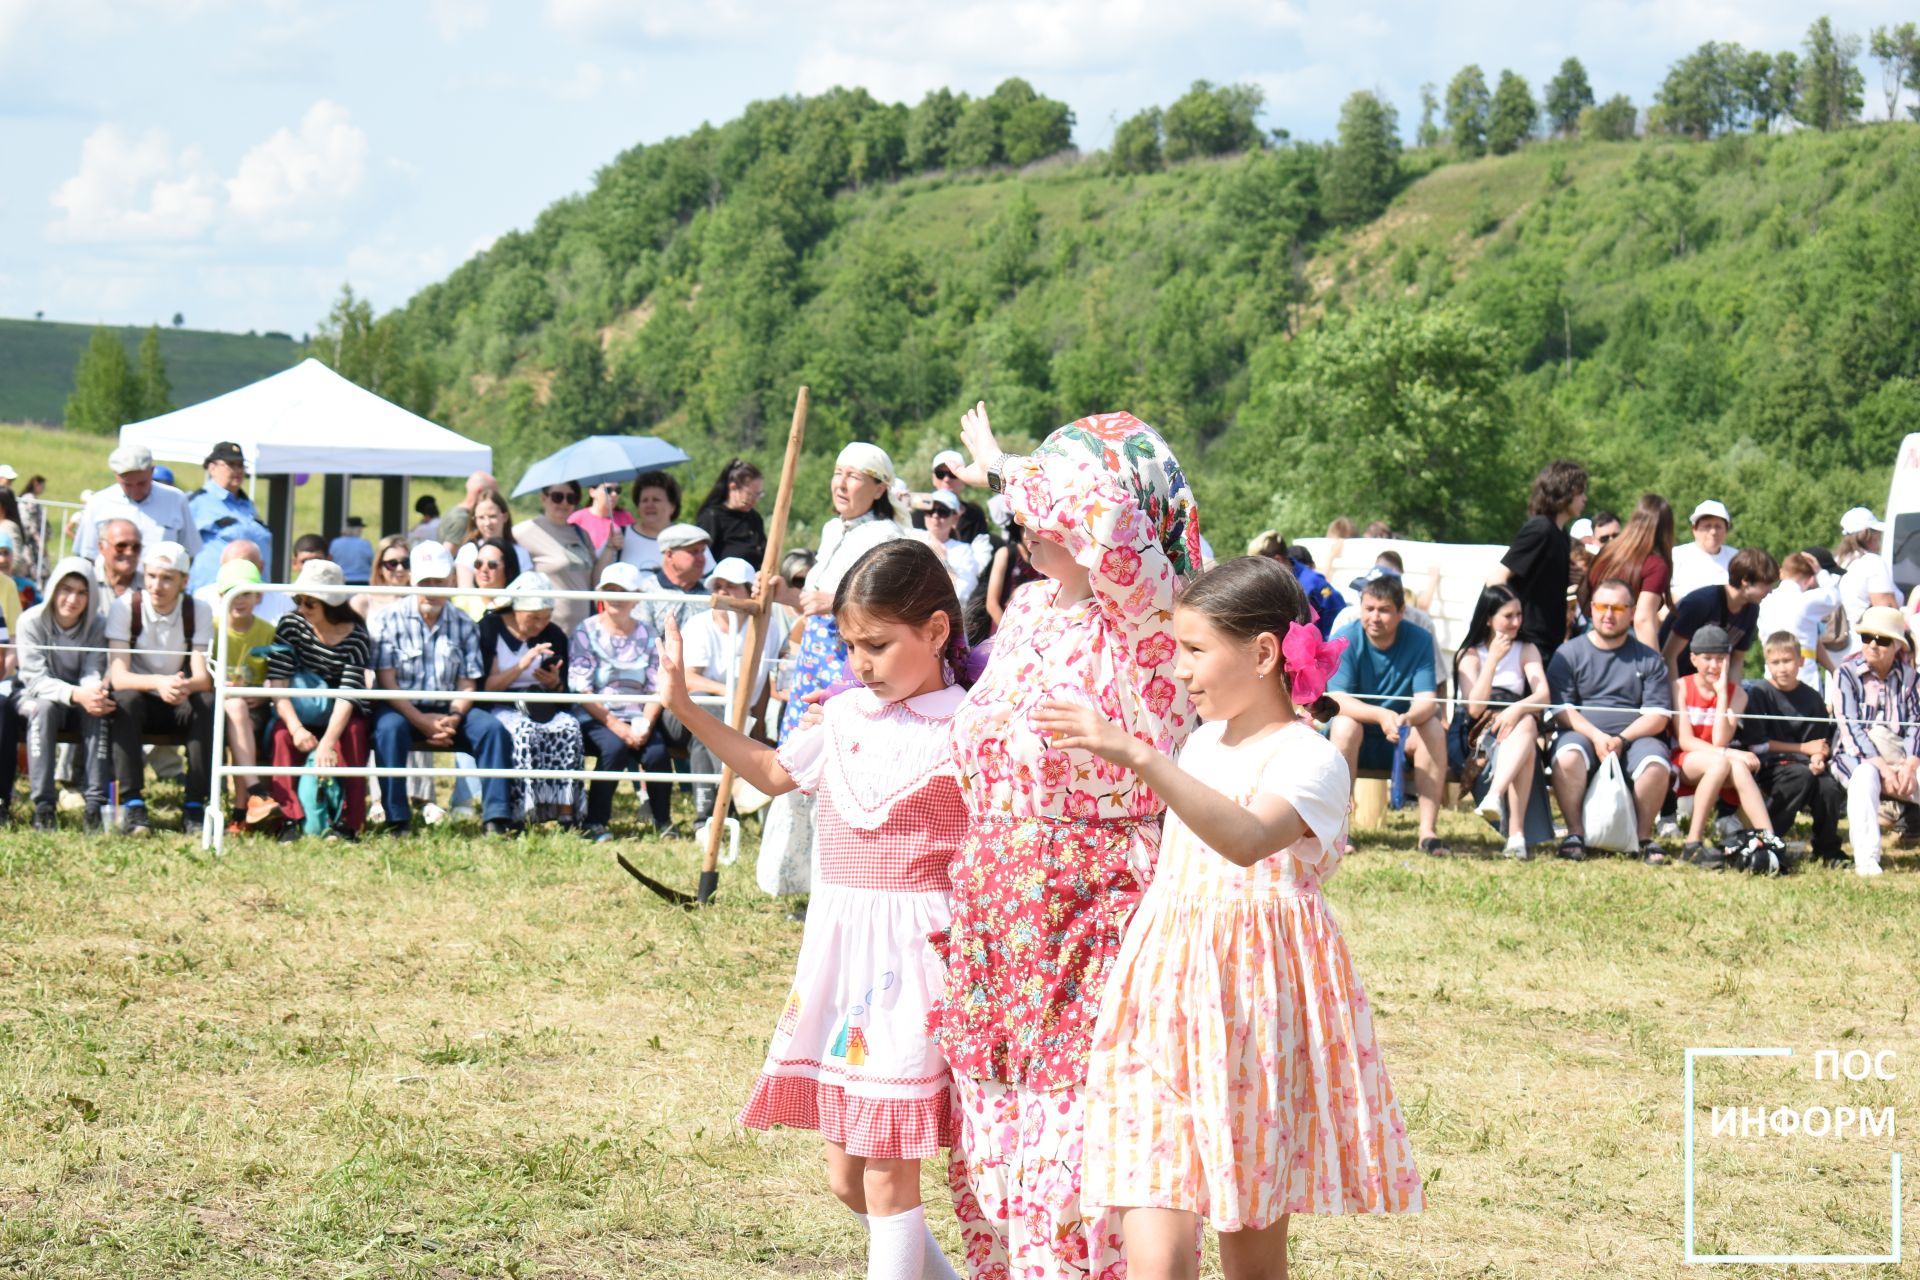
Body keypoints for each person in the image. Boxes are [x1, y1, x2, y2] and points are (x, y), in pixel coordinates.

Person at [1036, 556, 1423, 1277]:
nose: (1181, 670)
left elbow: (1246, 840)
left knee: (1250, 1250)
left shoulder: (1309, 758)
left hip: (1251, 1010)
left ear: (1264, 653)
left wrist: (1138, 755)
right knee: (1153, 1246)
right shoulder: (1199, 743)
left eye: (1195, 649)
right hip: (1163, 997)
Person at [657, 539, 970, 1280]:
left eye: (878, 645)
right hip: (843, 961)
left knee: (888, 1178)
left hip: (918, 961)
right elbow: (771, 772)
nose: (861, 663)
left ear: (935, 631)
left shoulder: (972, 726)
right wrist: (683, 707)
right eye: (851, 645)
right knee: (846, 1179)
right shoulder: (845, 716)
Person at [939, 403, 1203, 1280]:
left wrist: (1000, 465)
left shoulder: (1153, 615)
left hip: (1093, 903)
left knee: (1074, 1132)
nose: (1026, 517)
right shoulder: (1026, 606)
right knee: (996, 1131)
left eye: (1047, 497)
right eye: (1023, 505)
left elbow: (1112, 520)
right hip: (998, 907)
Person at [369, 541, 515, 836]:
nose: (433, 589)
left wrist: (455, 717)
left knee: (492, 730)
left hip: (451, 709)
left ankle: (497, 818)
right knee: (388, 729)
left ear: (451, 580)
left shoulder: (465, 623)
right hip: (401, 707)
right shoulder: (387, 619)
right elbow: (386, 682)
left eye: (439, 580)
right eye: (426, 581)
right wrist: (420, 719)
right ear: (413, 579)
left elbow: (467, 682)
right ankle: (397, 819)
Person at [770, 445, 906, 744]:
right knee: (800, 740)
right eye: (837, 473)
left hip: (849, 656)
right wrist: (785, 594)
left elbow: (887, 606)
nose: (841, 484)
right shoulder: (832, 529)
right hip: (812, 654)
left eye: (853, 476)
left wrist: (834, 602)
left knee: (836, 738)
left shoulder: (886, 535)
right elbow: (814, 601)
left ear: (879, 489)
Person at [1546, 578, 1674, 864]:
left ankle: (1642, 838)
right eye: (1602, 606)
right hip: (1581, 734)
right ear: (1591, 608)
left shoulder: (1649, 658)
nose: (1608, 614)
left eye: (1617, 608)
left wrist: (1622, 740)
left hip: (1635, 738)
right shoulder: (1568, 654)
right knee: (1567, 756)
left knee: (1655, 765)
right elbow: (1561, 709)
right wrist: (1596, 736)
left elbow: (1658, 715)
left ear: (1632, 612)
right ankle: (1575, 834)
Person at [1326, 573, 1448, 856]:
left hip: (1400, 735)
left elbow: (1427, 700)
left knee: (1431, 727)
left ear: (1401, 612)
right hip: (1355, 736)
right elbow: (1337, 700)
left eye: (1384, 610)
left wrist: (1408, 719)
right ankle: (1340, 831)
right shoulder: (1345, 638)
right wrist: (1381, 715)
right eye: (1369, 608)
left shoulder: (1420, 639)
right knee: (1344, 725)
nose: (1375, 617)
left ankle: (1427, 832)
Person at [105, 541, 215, 836]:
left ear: (184, 581)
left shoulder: (198, 610)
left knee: (206, 703)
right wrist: (159, 682)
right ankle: (132, 804)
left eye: (167, 578)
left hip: (179, 694)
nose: (157, 586)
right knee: (124, 700)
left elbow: (203, 678)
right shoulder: (125, 606)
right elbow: (119, 677)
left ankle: (195, 804)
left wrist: (181, 686)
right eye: (151, 576)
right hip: (141, 696)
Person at [265, 560, 375, 841]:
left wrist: (327, 741)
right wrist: (296, 728)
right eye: (298, 600)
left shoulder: (357, 635)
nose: (301, 608)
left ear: (330, 604)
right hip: (298, 708)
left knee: (354, 733)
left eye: (309, 602)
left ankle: (348, 822)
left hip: (341, 711)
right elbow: (278, 681)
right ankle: (288, 818)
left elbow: (348, 693)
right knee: (281, 736)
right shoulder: (290, 625)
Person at [570, 561, 668, 841]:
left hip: (638, 715)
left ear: (636, 597)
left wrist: (645, 724)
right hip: (596, 715)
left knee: (658, 753)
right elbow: (581, 688)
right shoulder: (585, 630)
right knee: (613, 748)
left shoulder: (649, 634)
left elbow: (657, 687)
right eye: (610, 590)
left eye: (622, 591)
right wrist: (617, 726)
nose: (615, 597)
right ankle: (595, 822)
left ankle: (663, 822)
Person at [1454, 584, 1552, 859]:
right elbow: (1475, 707)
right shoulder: (1470, 654)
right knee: (1527, 735)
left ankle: (1496, 798)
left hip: (1517, 720)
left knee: (1526, 726)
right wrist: (1493, 660)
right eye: (1508, 616)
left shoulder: (1526, 648)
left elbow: (1543, 695)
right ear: (1488, 618)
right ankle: (1516, 834)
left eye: (1519, 615)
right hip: (1482, 729)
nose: (1516, 622)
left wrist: (1516, 709)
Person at [480, 571, 585, 826]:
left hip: (541, 704)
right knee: (523, 732)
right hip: (499, 704)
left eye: (546, 617)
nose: (540, 625)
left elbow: (563, 693)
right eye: (534, 617)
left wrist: (554, 683)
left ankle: (566, 811)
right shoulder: (489, 629)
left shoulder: (553, 634)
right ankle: (522, 811)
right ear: (516, 609)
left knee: (569, 727)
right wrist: (522, 665)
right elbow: (484, 688)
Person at [18, 556, 114, 831]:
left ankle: (95, 805)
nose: (73, 599)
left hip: (81, 696)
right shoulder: (30, 621)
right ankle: (44, 806)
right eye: (66, 589)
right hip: (40, 697)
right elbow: (35, 680)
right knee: (43, 709)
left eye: (82, 592)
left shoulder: (98, 625)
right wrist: (77, 694)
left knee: (98, 708)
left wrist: (92, 693)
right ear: (53, 589)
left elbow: (93, 669)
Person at [1670, 625, 1775, 868]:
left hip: (1719, 759)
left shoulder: (1738, 694)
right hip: (1688, 760)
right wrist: (1732, 753)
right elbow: (1686, 741)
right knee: (1722, 762)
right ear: (1693, 659)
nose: (1714, 665)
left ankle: (1769, 839)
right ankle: (1692, 843)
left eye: (1720, 659)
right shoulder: (1681, 687)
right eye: (1707, 658)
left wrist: (1722, 695)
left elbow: (1719, 739)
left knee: (1738, 767)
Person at [1829, 605, 1919, 877]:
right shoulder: (1845, 674)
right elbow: (1851, 730)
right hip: (1854, 756)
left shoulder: (1911, 679)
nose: (1872, 645)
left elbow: (1916, 726)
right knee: (1864, 777)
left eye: (1882, 640)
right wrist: (1884, 769)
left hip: (1901, 758)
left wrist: (1909, 766)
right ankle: (1867, 860)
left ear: (1897, 646)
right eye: (1867, 637)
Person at [1741, 632, 1845, 867]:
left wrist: (1817, 757)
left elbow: (1821, 741)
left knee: (1828, 788)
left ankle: (1827, 850)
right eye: (1775, 662)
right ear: (1767, 664)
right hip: (1770, 766)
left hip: (1807, 765)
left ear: (1801, 661)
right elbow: (1757, 744)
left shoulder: (1812, 698)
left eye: (1787, 661)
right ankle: (1768, 840)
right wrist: (1804, 748)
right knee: (1800, 776)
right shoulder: (1759, 693)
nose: (1782, 668)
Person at [209, 558, 283, 831]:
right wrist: (220, 686)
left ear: (258, 597)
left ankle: (244, 810)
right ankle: (252, 797)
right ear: (221, 596)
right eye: (232, 593)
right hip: (217, 707)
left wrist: (264, 695)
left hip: (256, 707)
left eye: (245, 593)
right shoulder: (212, 628)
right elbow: (201, 671)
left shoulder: (268, 631)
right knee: (236, 708)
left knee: (240, 713)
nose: (238, 600)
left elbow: (278, 675)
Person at [1490, 459, 1587, 661]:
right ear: (1566, 491)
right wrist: (1508, 628)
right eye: (1581, 492)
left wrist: (1569, 577)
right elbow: (1497, 579)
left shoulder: (1561, 534)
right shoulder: (1541, 529)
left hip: (1549, 639)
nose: (1584, 499)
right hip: (1529, 641)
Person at [1658, 548, 1779, 681]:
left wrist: (1732, 692)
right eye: (1766, 584)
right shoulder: (1700, 604)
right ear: (1745, 581)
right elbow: (1669, 655)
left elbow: (1737, 661)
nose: (1770, 590)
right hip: (1672, 679)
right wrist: (1677, 693)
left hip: (1708, 683)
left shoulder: (1751, 610)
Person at [514, 479, 615, 634]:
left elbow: (595, 579)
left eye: (571, 498)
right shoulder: (523, 532)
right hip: (547, 626)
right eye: (557, 497)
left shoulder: (581, 533)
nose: (564, 503)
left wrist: (610, 546)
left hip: (584, 626)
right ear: (543, 498)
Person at [72, 444, 201, 563]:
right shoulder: (98, 502)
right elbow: (87, 555)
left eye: (142, 483)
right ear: (116, 476)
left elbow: (190, 551)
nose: (135, 490)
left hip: (161, 579)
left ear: (152, 471)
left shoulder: (175, 499)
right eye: (127, 484)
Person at [1583, 493, 1675, 649]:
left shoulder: (1608, 551)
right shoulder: (1655, 565)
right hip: (1625, 643)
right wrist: (1654, 662)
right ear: (1667, 529)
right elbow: (1643, 620)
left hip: (1592, 635)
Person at [186, 441, 273, 594]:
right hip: (214, 591)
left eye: (241, 465)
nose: (238, 470)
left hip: (254, 592)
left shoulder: (247, 505)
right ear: (212, 468)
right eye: (231, 465)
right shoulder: (196, 502)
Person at [1758, 552, 1843, 688]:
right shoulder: (1806, 600)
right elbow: (1835, 597)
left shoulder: (1765, 601)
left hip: (1772, 670)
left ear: (1781, 573)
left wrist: (1833, 670)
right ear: (1810, 579)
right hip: (1803, 673)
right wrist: (1820, 572)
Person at [916, 490, 988, 602]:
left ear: (955, 517)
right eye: (930, 510)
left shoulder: (964, 551)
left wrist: (944, 562)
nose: (935, 515)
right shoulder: (912, 536)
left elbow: (963, 594)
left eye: (943, 511)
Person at [694, 457, 768, 565]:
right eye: (750, 494)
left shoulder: (754, 518)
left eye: (759, 494)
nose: (755, 500)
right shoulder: (712, 518)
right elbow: (702, 561)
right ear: (733, 488)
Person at [909, 449, 992, 544]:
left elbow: (983, 549)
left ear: (964, 478)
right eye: (940, 474)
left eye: (953, 474)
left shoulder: (974, 514)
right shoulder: (921, 512)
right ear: (933, 478)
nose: (946, 479)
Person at [1837, 506, 1898, 632]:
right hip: (1870, 638)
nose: (1879, 536)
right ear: (1867, 534)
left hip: (1845, 638)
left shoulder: (1839, 561)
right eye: (1876, 531)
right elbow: (1886, 609)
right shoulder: (1872, 562)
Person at [453, 488, 530, 586]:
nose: (487, 523)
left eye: (492, 516)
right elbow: (465, 591)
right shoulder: (468, 551)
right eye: (481, 517)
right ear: (474, 520)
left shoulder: (520, 552)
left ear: (505, 517)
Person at [617, 470, 683, 578]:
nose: (649, 505)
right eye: (644, 500)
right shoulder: (620, 536)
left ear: (672, 506)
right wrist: (609, 548)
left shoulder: (689, 538)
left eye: (656, 500)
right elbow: (598, 580)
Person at [1670, 500, 1738, 600]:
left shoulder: (1736, 558)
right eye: (1707, 526)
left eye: (1718, 526)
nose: (1713, 532)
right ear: (1694, 529)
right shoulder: (1676, 555)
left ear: (1726, 530)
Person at [351, 535, 416, 624]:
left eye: (406, 562)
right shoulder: (362, 602)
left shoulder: (421, 599)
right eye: (392, 564)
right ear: (379, 568)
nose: (400, 568)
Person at [435, 470, 498, 550]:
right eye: (493, 494)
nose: (495, 499)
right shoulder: (462, 518)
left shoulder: (455, 511)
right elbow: (448, 551)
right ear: (479, 491)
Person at [569, 479, 634, 552]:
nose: (614, 494)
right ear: (592, 492)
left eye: (618, 490)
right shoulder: (576, 519)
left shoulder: (626, 518)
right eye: (608, 490)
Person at [16, 474, 48, 584]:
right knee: (33, 569)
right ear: (36, 484)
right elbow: (32, 522)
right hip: (30, 541)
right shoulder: (30, 499)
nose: (44, 489)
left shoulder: (25, 497)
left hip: (26, 539)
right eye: (42, 486)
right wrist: (39, 540)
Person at [329, 516, 375, 586]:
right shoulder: (364, 543)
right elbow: (372, 562)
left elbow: (331, 560)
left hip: (341, 580)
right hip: (362, 580)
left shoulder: (335, 543)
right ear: (358, 529)